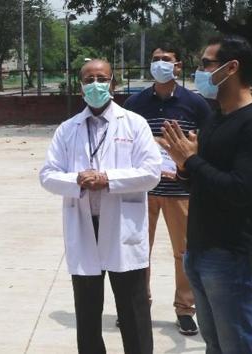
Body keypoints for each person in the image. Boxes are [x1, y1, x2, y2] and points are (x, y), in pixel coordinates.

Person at [160, 36, 252, 354]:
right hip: (199, 248)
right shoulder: (215, 118)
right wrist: (184, 169)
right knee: (214, 344)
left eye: (205, 64)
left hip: (233, 254)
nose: (200, 71)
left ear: (231, 68)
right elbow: (203, 179)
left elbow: (240, 189)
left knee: (237, 345)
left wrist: (192, 161)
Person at [40, 59, 162, 354]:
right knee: (87, 312)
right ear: (80, 86)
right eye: (88, 78)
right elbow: (47, 175)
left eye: (101, 78)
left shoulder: (134, 124)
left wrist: (107, 179)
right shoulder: (68, 129)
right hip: (84, 226)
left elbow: (151, 173)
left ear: (113, 84)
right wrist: (78, 180)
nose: (95, 84)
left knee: (133, 309)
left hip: (122, 227)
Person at [123, 44, 212, 335]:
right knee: (137, 252)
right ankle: (138, 306)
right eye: (155, 59)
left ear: (178, 66)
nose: (160, 64)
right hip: (142, 191)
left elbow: (205, 144)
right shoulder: (134, 103)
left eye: (166, 60)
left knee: (184, 253)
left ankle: (185, 310)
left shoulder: (195, 103)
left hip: (180, 191)